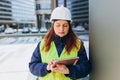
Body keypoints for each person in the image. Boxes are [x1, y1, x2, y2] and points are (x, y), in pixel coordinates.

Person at [29, 5, 91, 80]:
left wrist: (68, 70)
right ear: (53, 26)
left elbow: (86, 68)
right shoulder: (42, 44)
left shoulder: (78, 44)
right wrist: (47, 68)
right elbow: (32, 66)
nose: (61, 29)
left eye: (65, 25)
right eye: (58, 25)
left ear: (69, 26)